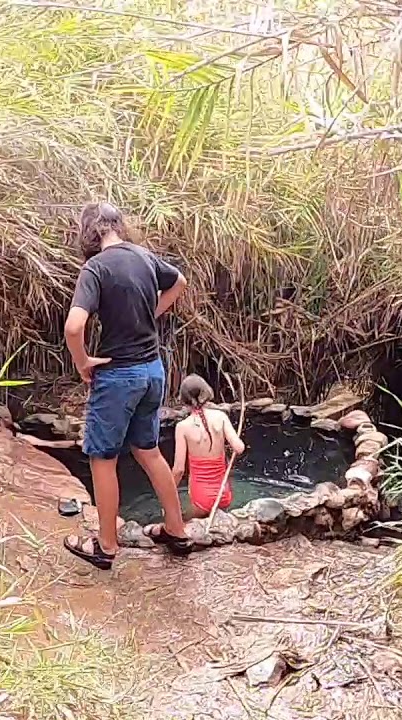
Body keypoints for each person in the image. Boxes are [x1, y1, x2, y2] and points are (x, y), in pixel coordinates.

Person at [62, 202, 193, 569]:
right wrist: (151, 313)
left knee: (103, 459)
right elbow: (179, 282)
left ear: (88, 233)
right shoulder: (144, 256)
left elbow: (74, 327)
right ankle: (177, 531)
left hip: (119, 375)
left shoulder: (95, 268)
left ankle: (105, 546)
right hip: (153, 370)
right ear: (118, 226)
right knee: (148, 451)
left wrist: (82, 361)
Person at [166, 374, 245, 520]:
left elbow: (179, 470)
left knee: (187, 523)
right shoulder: (221, 417)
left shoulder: (182, 427)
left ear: (184, 400)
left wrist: (167, 495)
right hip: (224, 493)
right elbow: (239, 448)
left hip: (201, 497)